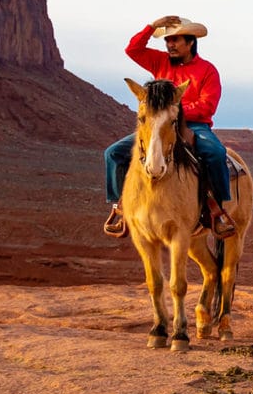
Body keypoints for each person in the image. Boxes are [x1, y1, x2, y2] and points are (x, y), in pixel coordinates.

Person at [102, 15, 237, 239]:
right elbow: (133, 50)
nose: (170, 45)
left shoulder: (207, 70)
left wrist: (175, 111)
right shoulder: (160, 62)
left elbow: (207, 106)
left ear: (191, 42)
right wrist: (152, 26)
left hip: (194, 125)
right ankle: (121, 208)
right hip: (159, 126)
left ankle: (217, 211)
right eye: (167, 41)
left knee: (215, 153)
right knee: (113, 153)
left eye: (175, 40)